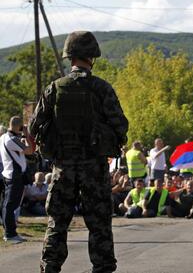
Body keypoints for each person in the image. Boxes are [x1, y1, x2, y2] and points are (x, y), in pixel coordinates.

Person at [29, 31, 128, 273]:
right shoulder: (102, 88)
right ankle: (102, 268)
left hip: (63, 167)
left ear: (69, 57)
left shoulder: (54, 88)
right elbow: (121, 126)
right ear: (92, 56)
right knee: (100, 224)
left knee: (57, 223)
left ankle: (50, 267)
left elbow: (34, 126)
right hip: (94, 167)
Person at [0, 116, 34, 243]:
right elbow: (30, 150)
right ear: (18, 127)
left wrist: (23, 137)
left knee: (6, 204)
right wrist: (26, 134)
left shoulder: (3, 137)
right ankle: (10, 234)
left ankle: (9, 232)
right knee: (10, 206)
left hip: (9, 175)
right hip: (15, 176)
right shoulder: (12, 139)